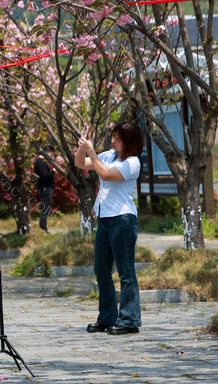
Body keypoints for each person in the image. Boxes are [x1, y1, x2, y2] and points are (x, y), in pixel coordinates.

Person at [77, 122, 143, 336]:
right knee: (101, 270)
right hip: (105, 219)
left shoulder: (132, 163)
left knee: (126, 271)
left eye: (118, 138)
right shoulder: (107, 155)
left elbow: (105, 175)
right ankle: (107, 317)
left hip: (123, 220)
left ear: (129, 142)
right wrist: (82, 145)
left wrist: (91, 150)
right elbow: (81, 163)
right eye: (113, 136)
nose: (113, 141)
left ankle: (129, 319)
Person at [34, 153, 57, 233]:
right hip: (45, 188)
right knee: (45, 208)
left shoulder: (38, 161)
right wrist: (53, 171)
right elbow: (44, 175)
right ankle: (43, 228)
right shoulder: (41, 162)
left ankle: (43, 227)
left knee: (45, 208)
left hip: (43, 187)